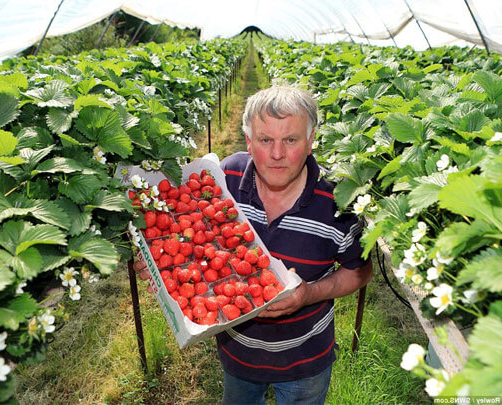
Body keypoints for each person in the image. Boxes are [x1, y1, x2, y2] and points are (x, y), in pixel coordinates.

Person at [136, 84, 372, 404]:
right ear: (248, 141)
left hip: (306, 360)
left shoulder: (339, 200)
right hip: (238, 354)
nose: (277, 154)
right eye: (265, 140)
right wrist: (161, 266)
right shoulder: (226, 177)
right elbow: (197, 241)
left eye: (290, 139)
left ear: (311, 139)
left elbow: (359, 271)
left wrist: (309, 294)